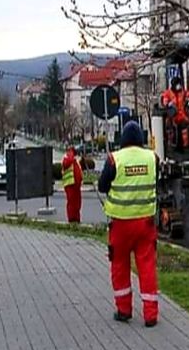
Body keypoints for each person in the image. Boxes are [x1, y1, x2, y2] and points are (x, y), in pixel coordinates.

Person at [98, 121, 159, 327]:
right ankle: (150, 315)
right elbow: (155, 182)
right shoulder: (152, 158)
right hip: (145, 224)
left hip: (120, 225)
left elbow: (102, 186)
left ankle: (124, 310)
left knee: (119, 266)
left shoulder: (114, 159)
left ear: (122, 139)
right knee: (147, 266)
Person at [61, 145, 83, 223]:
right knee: (72, 203)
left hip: (76, 185)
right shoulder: (67, 157)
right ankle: (72, 220)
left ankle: (77, 219)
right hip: (70, 184)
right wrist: (71, 153)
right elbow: (67, 163)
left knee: (77, 204)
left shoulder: (75, 159)